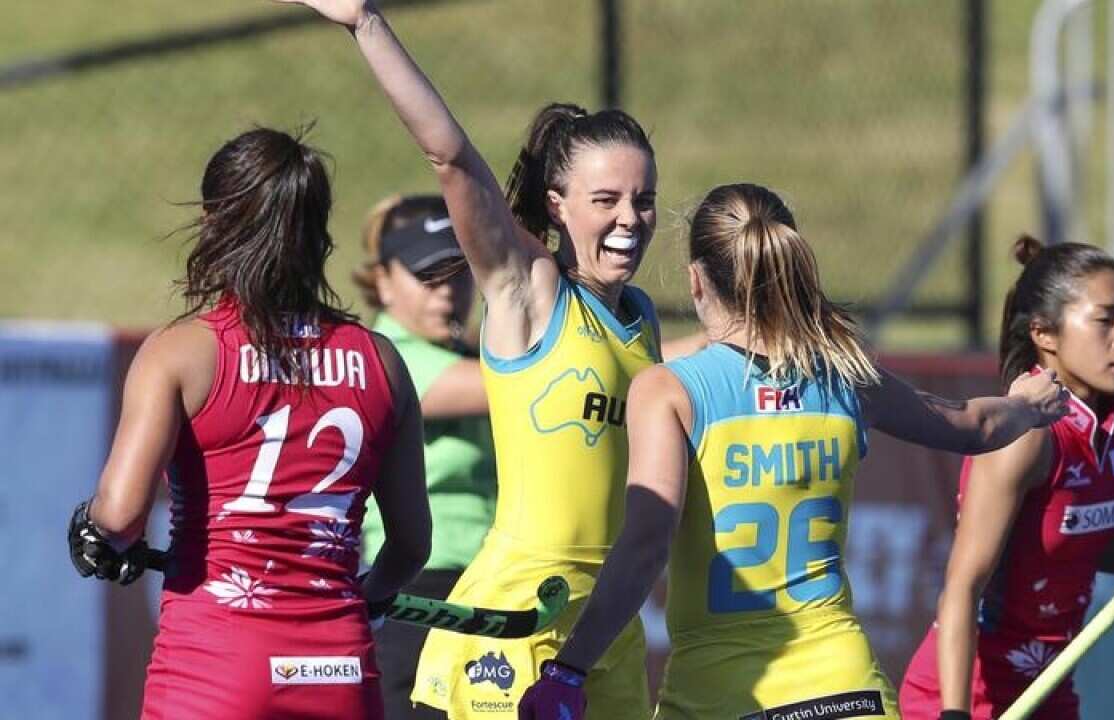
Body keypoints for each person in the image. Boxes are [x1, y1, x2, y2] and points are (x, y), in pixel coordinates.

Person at [517, 184, 1071, 720]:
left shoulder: (670, 390)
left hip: (720, 695)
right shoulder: (847, 378)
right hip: (848, 690)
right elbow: (972, 425)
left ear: (696, 281)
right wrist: (1026, 403)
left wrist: (570, 669)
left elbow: (644, 547)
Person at [278, 1, 680, 716]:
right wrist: (365, 25)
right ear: (558, 206)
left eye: (643, 201)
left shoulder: (640, 318)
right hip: (514, 625)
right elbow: (451, 157)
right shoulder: (529, 290)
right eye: (607, 199)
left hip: (606, 631)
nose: (630, 220)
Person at [65, 126, 431, 719]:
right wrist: (367, 597)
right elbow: (411, 544)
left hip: (214, 666)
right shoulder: (382, 360)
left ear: (215, 223)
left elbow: (122, 513)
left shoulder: (182, 352)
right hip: (338, 670)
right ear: (320, 231)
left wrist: (92, 529)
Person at [897, 237, 1114, 720]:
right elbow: (961, 587)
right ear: (1045, 333)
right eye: (1104, 320)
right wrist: (954, 716)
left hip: (1048, 690)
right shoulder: (1028, 438)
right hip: (967, 697)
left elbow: (1074, 534)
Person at [353, 193, 498, 720]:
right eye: (428, 276)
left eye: (460, 274)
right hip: (413, 591)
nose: (448, 293)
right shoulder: (385, 356)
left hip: (488, 587)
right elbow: (527, 386)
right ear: (384, 281)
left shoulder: (471, 352)